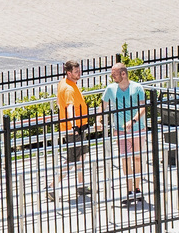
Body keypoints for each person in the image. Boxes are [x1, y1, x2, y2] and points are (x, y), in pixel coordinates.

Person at [102, 60, 147, 207]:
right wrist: (99, 120)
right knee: (125, 159)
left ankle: (137, 188)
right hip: (121, 131)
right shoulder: (110, 89)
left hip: (137, 129)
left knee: (137, 158)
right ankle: (129, 191)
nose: (112, 77)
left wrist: (133, 121)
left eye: (114, 74)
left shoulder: (137, 87)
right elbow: (103, 105)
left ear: (123, 74)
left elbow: (142, 107)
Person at [47, 59, 91, 205]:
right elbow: (70, 107)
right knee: (72, 159)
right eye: (76, 72)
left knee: (81, 156)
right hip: (75, 130)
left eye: (79, 71)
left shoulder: (64, 83)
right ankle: (52, 187)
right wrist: (73, 126)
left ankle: (81, 185)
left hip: (78, 127)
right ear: (69, 72)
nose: (79, 74)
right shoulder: (69, 89)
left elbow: (60, 104)